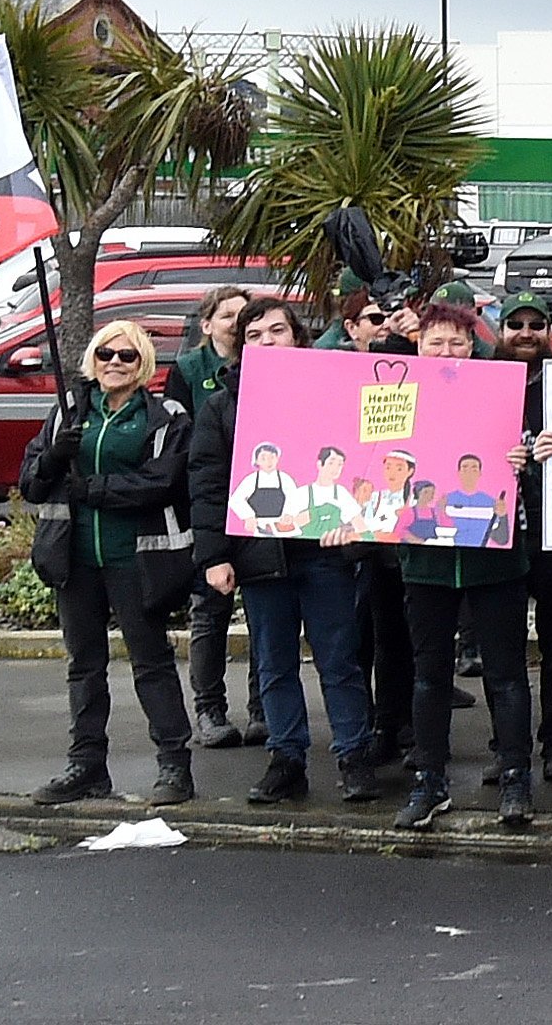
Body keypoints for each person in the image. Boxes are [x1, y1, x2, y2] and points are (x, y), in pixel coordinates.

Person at [184, 298, 380, 808]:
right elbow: (207, 484)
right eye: (256, 334)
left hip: (323, 551)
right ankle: (287, 758)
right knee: (273, 663)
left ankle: (354, 756)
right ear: (241, 345)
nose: (268, 341)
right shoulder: (223, 404)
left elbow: (366, 461)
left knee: (339, 661)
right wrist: (214, 556)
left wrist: (355, 528)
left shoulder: (331, 391)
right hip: (259, 554)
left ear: (298, 336)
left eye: (278, 330)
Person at [24, 318, 203, 808]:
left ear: (142, 362)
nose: (115, 364)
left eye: (126, 356)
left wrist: (96, 490)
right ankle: (86, 765)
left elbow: (164, 480)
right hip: (74, 558)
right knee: (84, 665)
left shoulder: (165, 416)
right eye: (106, 354)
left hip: (138, 558)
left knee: (151, 663)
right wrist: (53, 460)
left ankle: (174, 764)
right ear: (93, 361)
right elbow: (31, 484)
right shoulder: (66, 413)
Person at [375, 305, 536, 831]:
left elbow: (537, 460)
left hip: (495, 558)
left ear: (475, 345)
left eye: (458, 343)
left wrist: (526, 459)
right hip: (426, 561)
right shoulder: (397, 399)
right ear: (418, 345)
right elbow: (374, 466)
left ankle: (516, 778)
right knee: (429, 676)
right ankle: (430, 781)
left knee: (506, 674)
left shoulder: (505, 393)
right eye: (435, 342)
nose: (446, 353)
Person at [164, 286, 261, 751]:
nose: (236, 323)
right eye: (227, 316)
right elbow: (180, 447)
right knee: (210, 613)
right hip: (212, 507)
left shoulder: (270, 364)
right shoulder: (187, 371)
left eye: (245, 316)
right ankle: (209, 709)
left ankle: (263, 709)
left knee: (266, 615)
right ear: (207, 325)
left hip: (265, 509)